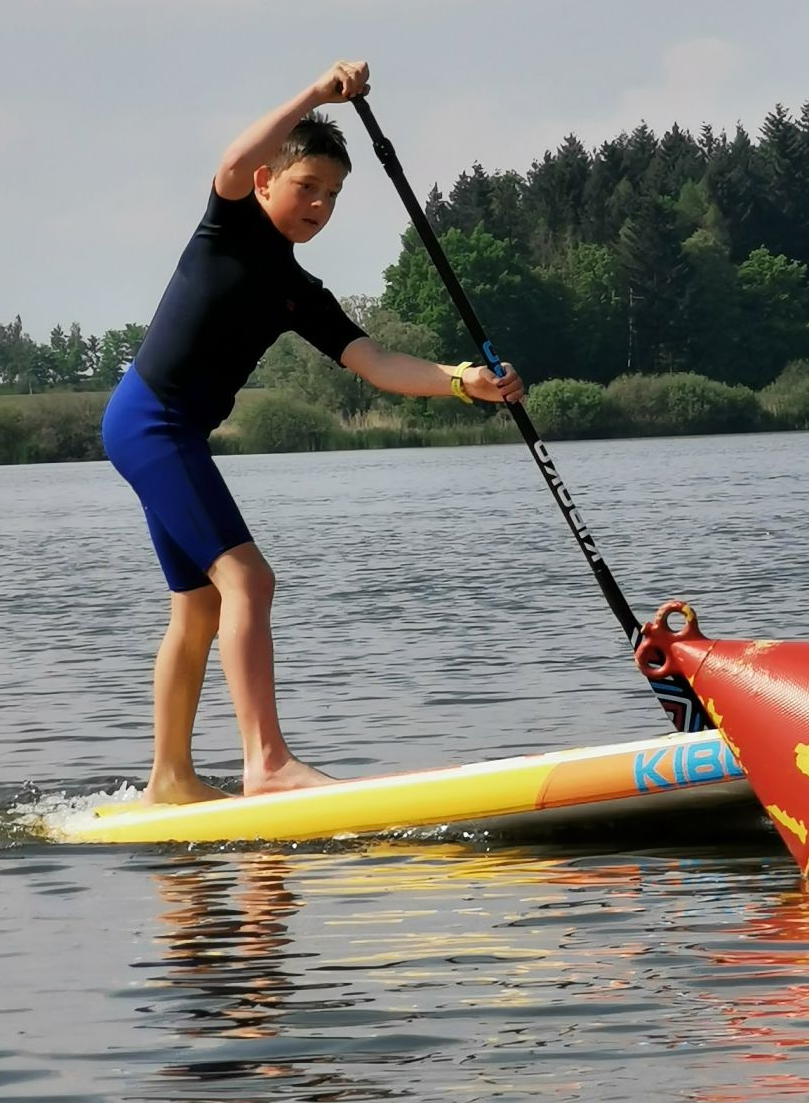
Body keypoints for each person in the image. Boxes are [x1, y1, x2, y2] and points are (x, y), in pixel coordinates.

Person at [102, 59, 524, 805]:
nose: (320, 205)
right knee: (249, 581)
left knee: (199, 605)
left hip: (169, 433)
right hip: (151, 421)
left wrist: (464, 381)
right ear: (267, 182)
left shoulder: (299, 293)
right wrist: (315, 94)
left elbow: (375, 361)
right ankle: (265, 763)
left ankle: (169, 780)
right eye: (307, 187)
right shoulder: (226, 226)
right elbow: (231, 159)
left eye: (332, 195)